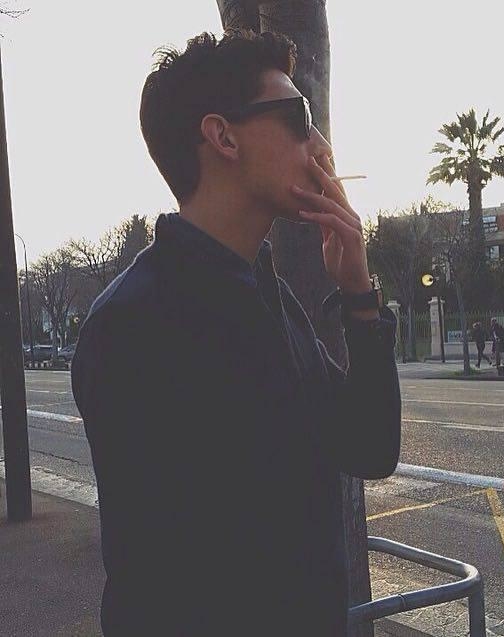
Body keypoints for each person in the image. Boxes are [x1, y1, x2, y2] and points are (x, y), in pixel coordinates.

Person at [71, 30, 401, 637]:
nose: (320, 147)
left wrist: (360, 298)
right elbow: (156, 579)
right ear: (223, 137)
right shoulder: (131, 326)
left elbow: (370, 447)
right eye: (298, 119)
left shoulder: (271, 299)